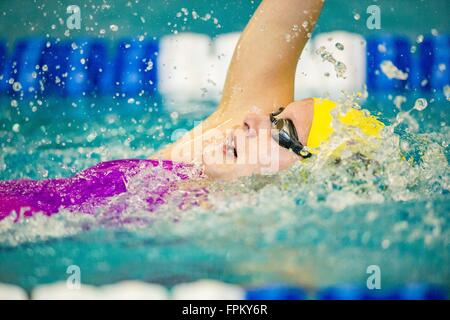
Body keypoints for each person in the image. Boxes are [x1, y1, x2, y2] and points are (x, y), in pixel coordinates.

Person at [0, 0, 384, 220]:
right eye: (272, 114)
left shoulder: (249, 234)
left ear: (312, 174)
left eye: (281, 128)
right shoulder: (203, 154)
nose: (252, 119)